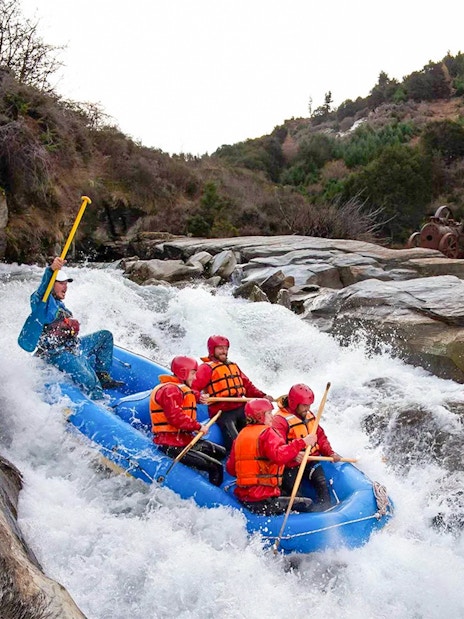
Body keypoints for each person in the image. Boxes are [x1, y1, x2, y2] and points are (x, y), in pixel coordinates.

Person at [32, 256, 123, 399]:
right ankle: (100, 406)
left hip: (73, 346)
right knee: (91, 382)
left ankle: (103, 375)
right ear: (51, 284)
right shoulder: (42, 302)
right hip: (56, 354)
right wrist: (51, 270)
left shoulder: (60, 305)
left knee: (105, 336)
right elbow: (42, 290)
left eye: (66, 283)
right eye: (61, 283)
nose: (65, 286)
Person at [226, 399, 315, 515]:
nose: (272, 417)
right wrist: (302, 442)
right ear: (259, 416)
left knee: (284, 493)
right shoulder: (267, 433)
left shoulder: (240, 436)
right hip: (263, 500)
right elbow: (279, 455)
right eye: (268, 413)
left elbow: (231, 469)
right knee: (308, 504)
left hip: (245, 498)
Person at [150, 355, 226, 486]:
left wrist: (199, 397)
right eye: (193, 373)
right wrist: (198, 427)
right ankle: (212, 496)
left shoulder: (178, 388)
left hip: (183, 439)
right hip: (170, 444)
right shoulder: (169, 390)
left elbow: (187, 394)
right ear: (183, 373)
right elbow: (175, 418)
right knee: (215, 467)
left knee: (221, 452)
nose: (195, 377)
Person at [192, 335, 273, 452]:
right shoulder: (206, 368)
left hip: (241, 408)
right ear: (212, 349)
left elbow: (247, 385)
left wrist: (262, 396)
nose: (224, 351)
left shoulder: (233, 366)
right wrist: (200, 397)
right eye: (220, 348)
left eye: (226, 348)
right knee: (236, 441)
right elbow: (192, 389)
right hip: (223, 412)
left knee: (260, 435)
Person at [272, 383, 341, 510]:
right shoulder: (280, 420)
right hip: (289, 465)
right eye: (304, 405)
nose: (307, 408)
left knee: (322, 484)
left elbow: (320, 437)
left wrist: (330, 453)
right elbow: (277, 446)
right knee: (296, 497)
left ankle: (325, 513)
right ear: (294, 403)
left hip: (310, 460)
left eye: (309, 405)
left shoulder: (309, 416)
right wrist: (293, 455)